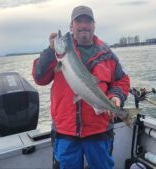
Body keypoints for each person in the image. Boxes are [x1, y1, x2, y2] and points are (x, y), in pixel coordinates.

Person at [32, 5, 130, 169]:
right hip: (65, 132)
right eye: (79, 21)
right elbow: (39, 77)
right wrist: (50, 50)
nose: (84, 25)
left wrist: (115, 97)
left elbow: (122, 80)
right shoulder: (58, 55)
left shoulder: (107, 54)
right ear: (71, 26)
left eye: (88, 21)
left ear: (94, 25)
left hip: (99, 130)